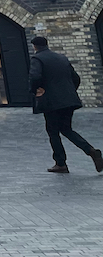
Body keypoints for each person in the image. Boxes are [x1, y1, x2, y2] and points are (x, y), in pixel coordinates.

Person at [29, 35, 103, 173]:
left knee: (53, 132)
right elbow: (76, 78)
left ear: (34, 46)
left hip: (51, 102)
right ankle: (91, 150)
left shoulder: (37, 59)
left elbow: (35, 77)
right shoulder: (62, 58)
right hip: (69, 100)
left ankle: (61, 163)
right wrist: (68, 92)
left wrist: (35, 91)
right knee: (67, 129)